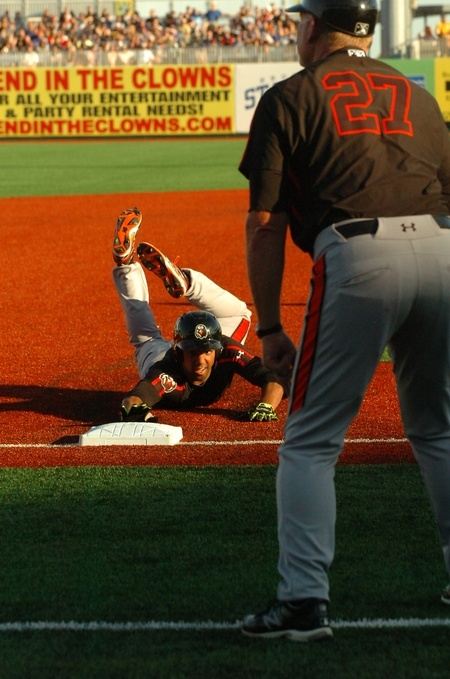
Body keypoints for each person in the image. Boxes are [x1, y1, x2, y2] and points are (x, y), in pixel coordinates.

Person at [238, 0, 450, 642]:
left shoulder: (289, 96)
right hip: (443, 248)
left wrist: (270, 327)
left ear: (312, 26)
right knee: (439, 429)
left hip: (359, 254)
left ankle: (303, 602)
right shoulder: (418, 96)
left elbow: (265, 225)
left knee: (310, 440)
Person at [112, 207, 284, 422]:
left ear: (217, 349)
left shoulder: (226, 349)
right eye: (193, 353)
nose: (200, 361)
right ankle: (182, 281)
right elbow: (133, 400)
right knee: (146, 339)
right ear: (178, 352)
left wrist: (266, 406)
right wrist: (140, 414)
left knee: (238, 315)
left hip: (188, 345)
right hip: (159, 355)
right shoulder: (166, 373)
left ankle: (133, 268)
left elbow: (273, 378)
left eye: (207, 351)